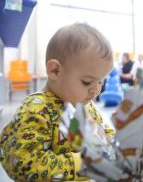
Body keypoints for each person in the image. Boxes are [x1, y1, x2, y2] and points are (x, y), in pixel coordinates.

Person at [0, 22, 115, 180]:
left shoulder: (87, 105)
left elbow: (105, 133)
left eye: (101, 81)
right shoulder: (36, 110)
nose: (96, 90)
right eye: (87, 82)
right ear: (55, 70)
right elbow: (24, 164)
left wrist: (121, 148)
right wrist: (83, 162)